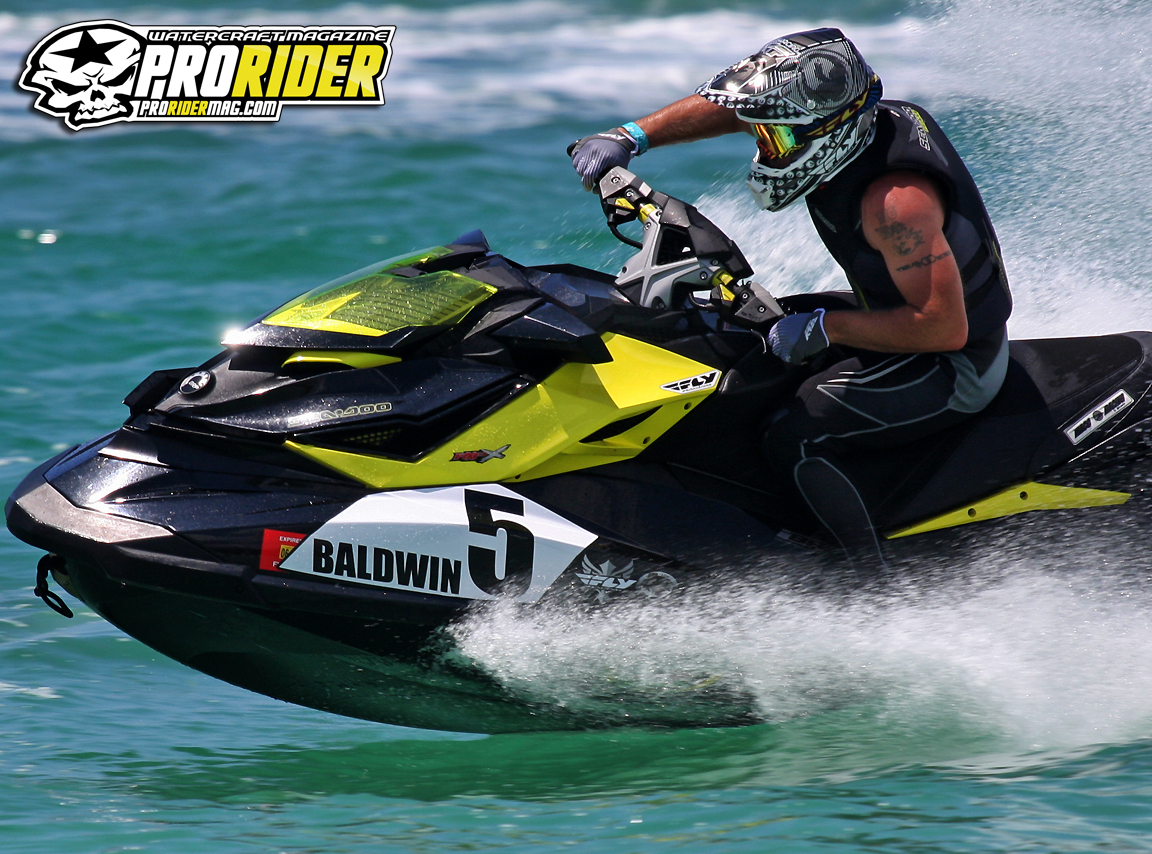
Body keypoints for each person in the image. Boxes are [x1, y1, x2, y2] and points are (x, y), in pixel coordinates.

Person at [568, 28, 1012, 568]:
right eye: (763, 133)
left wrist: (826, 328)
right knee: (740, 340)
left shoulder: (895, 207)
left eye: (774, 139)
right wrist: (630, 136)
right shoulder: (854, 120)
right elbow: (740, 111)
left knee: (795, 435)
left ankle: (868, 581)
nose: (761, 146)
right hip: (888, 309)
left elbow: (943, 327)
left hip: (954, 361)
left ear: (827, 133)